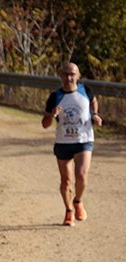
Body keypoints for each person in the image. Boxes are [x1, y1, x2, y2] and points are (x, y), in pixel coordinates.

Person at [41, 62, 102, 226]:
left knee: (81, 175)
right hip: (63, 142)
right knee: (66, 181)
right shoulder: (55, 97)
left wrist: (95, 115)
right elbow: (44, 124)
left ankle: (78, 200)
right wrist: (52, 116)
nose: (69, 78)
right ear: (61, 76)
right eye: (66, 74)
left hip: (84, 140)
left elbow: (93, 101)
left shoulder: (85, 91)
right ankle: (69, 211)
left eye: (72, 74)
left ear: (78, 76)